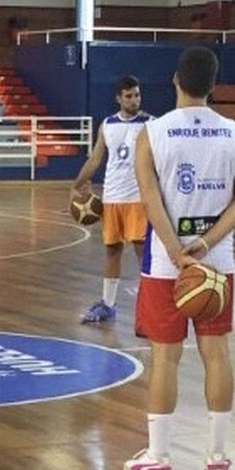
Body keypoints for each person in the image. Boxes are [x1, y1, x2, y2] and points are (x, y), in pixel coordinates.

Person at [122, 47, 235, 470]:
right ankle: (217, 457)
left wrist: (177, 250)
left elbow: (150, 199)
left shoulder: (154, 131)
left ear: (175, 80)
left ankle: (158, 457)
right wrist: (205, 243)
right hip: (217, 263)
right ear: (214, 85)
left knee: (165, 358)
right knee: (217, 355)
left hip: (166, 265)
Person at [71, 75, 152, 324]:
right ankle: (108, 304)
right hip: (112, 196)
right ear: (118, 98)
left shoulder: (151, 124)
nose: (134, 100)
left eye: (137, 95)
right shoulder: (106, 124)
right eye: (129, 96)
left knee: (143, 254)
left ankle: (151, 307)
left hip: (139, 198)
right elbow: (95, 159)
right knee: (112, 251)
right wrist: (76, 185)